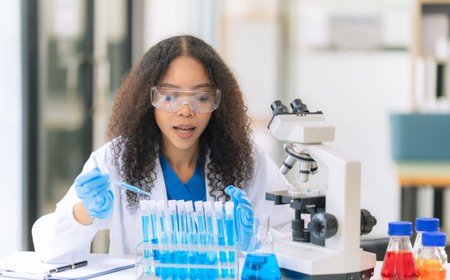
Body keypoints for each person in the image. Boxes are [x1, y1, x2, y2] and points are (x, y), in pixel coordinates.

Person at [32, 35, 292, 263]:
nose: (186, 111)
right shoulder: (116, 160)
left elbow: (294, 238)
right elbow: (49, 250)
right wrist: (84, 212)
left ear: (217, 101)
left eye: (201, 97)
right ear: (150, 98)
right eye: (170, 96)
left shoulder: (247, 160)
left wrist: (256, 237)